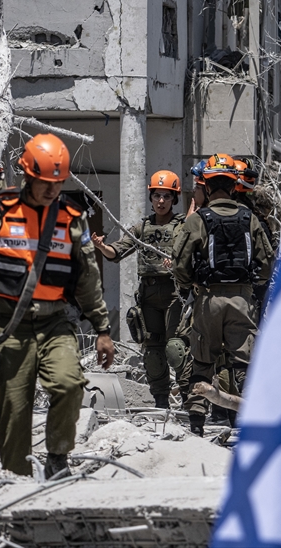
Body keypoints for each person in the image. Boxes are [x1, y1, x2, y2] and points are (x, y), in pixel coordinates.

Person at [0, 134, 114, 478]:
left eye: (57, 183)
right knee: (13, 409)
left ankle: (58, 457)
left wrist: (102, 329)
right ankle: (17, 479)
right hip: (5, 326)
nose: (52, 190)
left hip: (54, 323)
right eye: (44, 183)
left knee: (69, 383)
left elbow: (87, 279)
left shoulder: (71, 219)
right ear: (28, 176)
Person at [172, 153, 272, 436]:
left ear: (206, 184)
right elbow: (267, 261)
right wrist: (250, 286)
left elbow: (180, 262)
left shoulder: (198, 219)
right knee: (243, 364)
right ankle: (250, 422)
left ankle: (196, 424)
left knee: (203, 362)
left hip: (208, 300)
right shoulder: (249, 218)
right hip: (242, 300)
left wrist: (192, 284)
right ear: (233, 185)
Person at [92, 170, 186, 409]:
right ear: (151, 198)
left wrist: (176, 263)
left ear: (174, 198)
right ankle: (161, 402)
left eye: (166, 196)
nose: (161, 201)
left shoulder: (184, 226)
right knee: (153, 353)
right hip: (149, 296)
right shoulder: (142, 228)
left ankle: (190, 401)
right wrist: (102, 247)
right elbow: (118, 251)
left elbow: (194, 257)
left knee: (176, 350)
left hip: (175, 295)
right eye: (157, 196)